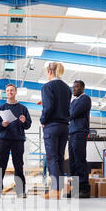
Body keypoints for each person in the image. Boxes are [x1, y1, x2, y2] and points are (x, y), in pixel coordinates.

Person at [40, 62, 72, 199]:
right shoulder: (67, 88)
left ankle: (55, 190)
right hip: (64, 126)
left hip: (52, 126)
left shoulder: (47, 86)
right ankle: (61, 188)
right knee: (59, 157)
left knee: (52, 157)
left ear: (49, 72)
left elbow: (49, 107)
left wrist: (43, 120)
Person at [0, 84, 32, 198]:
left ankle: (20, 191)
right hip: (4, 139)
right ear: (6, 93)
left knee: (18, 166)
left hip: (18, 140)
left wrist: (24, 121)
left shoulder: (23, 109)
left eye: (12, 90)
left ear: (15, 92)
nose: (9, 92)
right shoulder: (0, 108)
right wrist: (2, 124)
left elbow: (28, 125)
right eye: (7, 90)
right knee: (0, 165)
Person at [68, 80, 92, 198]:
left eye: (76, 87)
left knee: (79, 160)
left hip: (80, 132)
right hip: (71, 133)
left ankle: (84, 188)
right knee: (72, 162)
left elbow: (72, 113)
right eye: (73, 87)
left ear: (82, 88)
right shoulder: (74, 101)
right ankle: (76, 188)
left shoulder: (85, 99)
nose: (74, 89)